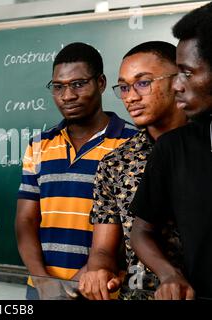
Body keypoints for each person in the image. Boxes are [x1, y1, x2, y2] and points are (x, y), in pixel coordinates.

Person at [15, 42, 137, 300]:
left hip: (101, 289)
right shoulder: (40, 145)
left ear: (101, 83)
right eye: (58, 87)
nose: (67, 95)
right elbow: (25, 221)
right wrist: (42, 280)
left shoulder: (132, 144)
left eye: (78, 84)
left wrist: (78, 282)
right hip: (41, 288)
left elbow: (134, 229)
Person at [78, 41, 187, 300]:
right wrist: (100, 270)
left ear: (179, 81)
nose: (131, 97)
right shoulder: (116, 163)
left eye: (143, 83)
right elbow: (103, 250)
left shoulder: (203, 148)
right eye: (124, 87)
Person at [130, 2, 212, 300]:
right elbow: (141, 230)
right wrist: (169, 275)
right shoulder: (175, 148)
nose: (177, 85)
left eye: (188, 73)